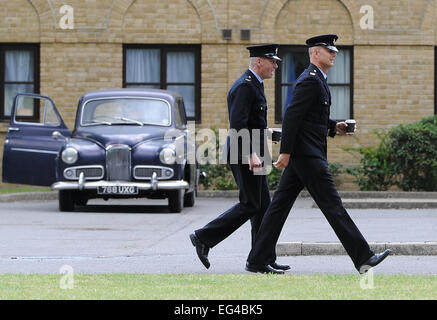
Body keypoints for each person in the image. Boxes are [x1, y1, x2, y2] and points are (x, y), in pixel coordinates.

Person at [245, 34, 391, 274]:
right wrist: (285, 153)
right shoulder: (310, 80)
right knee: (334, 207)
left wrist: (335, 127)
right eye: (328, 50)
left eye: (334, 51)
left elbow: (311, 119)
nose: (334, 54)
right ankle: (364, 258)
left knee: (278, 207)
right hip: (308, 157)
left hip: (305, 156)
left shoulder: (318, 80)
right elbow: (292, 117)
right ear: (315, 53)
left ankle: (258, 259)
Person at [190, 44, 289, 273]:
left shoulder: (255, 84)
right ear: (258, 62)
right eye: (272, 61)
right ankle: (203, 237)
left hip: (253, 151)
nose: (275, 65)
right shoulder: (245, 86)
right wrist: (251, 155)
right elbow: (238, 126)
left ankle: (261, 259)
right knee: (251, 204)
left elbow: (251, 123)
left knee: (264, 207)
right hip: (244, 154)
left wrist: (268, 133)